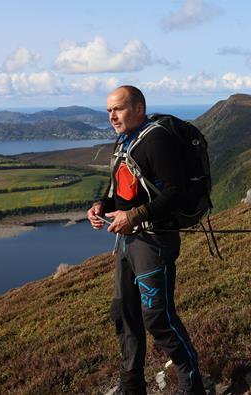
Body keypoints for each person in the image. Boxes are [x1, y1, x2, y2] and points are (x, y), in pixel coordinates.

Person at [87, 85, 205, 395]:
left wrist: (133, 217)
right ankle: (131, 385)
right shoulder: (124, 141)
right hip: (127, 243)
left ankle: (191, 385)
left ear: (139, 108)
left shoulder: (157, 140)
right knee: (124, 313)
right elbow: (122, 192)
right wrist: (102, 205)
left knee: (157, 318)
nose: (113, 115)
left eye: (119, 108)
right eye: (109, 110)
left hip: (154, 242)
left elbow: (176, 192)